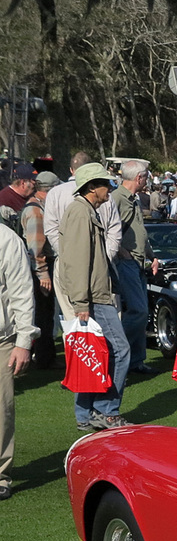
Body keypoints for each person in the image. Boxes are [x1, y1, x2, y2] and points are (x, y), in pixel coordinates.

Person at [56, 162, 130, 431]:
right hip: (93, 297)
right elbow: (76, 261)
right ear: (91, 187)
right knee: (120, 351)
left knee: (92, 356)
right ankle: (106, 412)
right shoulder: (80, 212)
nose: (110, 189)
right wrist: (81, 302)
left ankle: (86, 415)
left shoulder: (83, 210)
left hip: (91, 295)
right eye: (106, 184)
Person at [0, 218, 35, 499]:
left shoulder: (7, 240)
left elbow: (22, 293)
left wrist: (24, 341)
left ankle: (0, 474)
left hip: (2, 340)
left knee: (1, 411)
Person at [44, 152, 123, 269]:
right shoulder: (104, 195)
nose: (109, 187)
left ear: (71, 170)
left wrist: (66, 255)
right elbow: (114, 231)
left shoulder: (55, 194)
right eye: (106, 183)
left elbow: (51, 230)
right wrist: (105, 257)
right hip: (102, 264)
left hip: (67, 265)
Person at [111, 159, 153, 373]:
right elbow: (107, 229)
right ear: (139, 177)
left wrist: (151, 255)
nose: (147, 180)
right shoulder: (117, 198)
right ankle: (113, 352)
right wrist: (122, 252)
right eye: (146, 176)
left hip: (138, 261)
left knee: (141, 312)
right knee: (138, 311)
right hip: (127, 262)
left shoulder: (132, 199)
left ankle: (135, 360)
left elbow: (139, 231)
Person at [20, 171, 55, 368]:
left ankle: (43, 356)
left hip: (36, 267)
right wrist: (43, 274)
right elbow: (36, 248)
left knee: (43, 313)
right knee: (42, 313)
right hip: (38, 269)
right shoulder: (36, 212)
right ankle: (44, 358)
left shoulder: (35, 207)